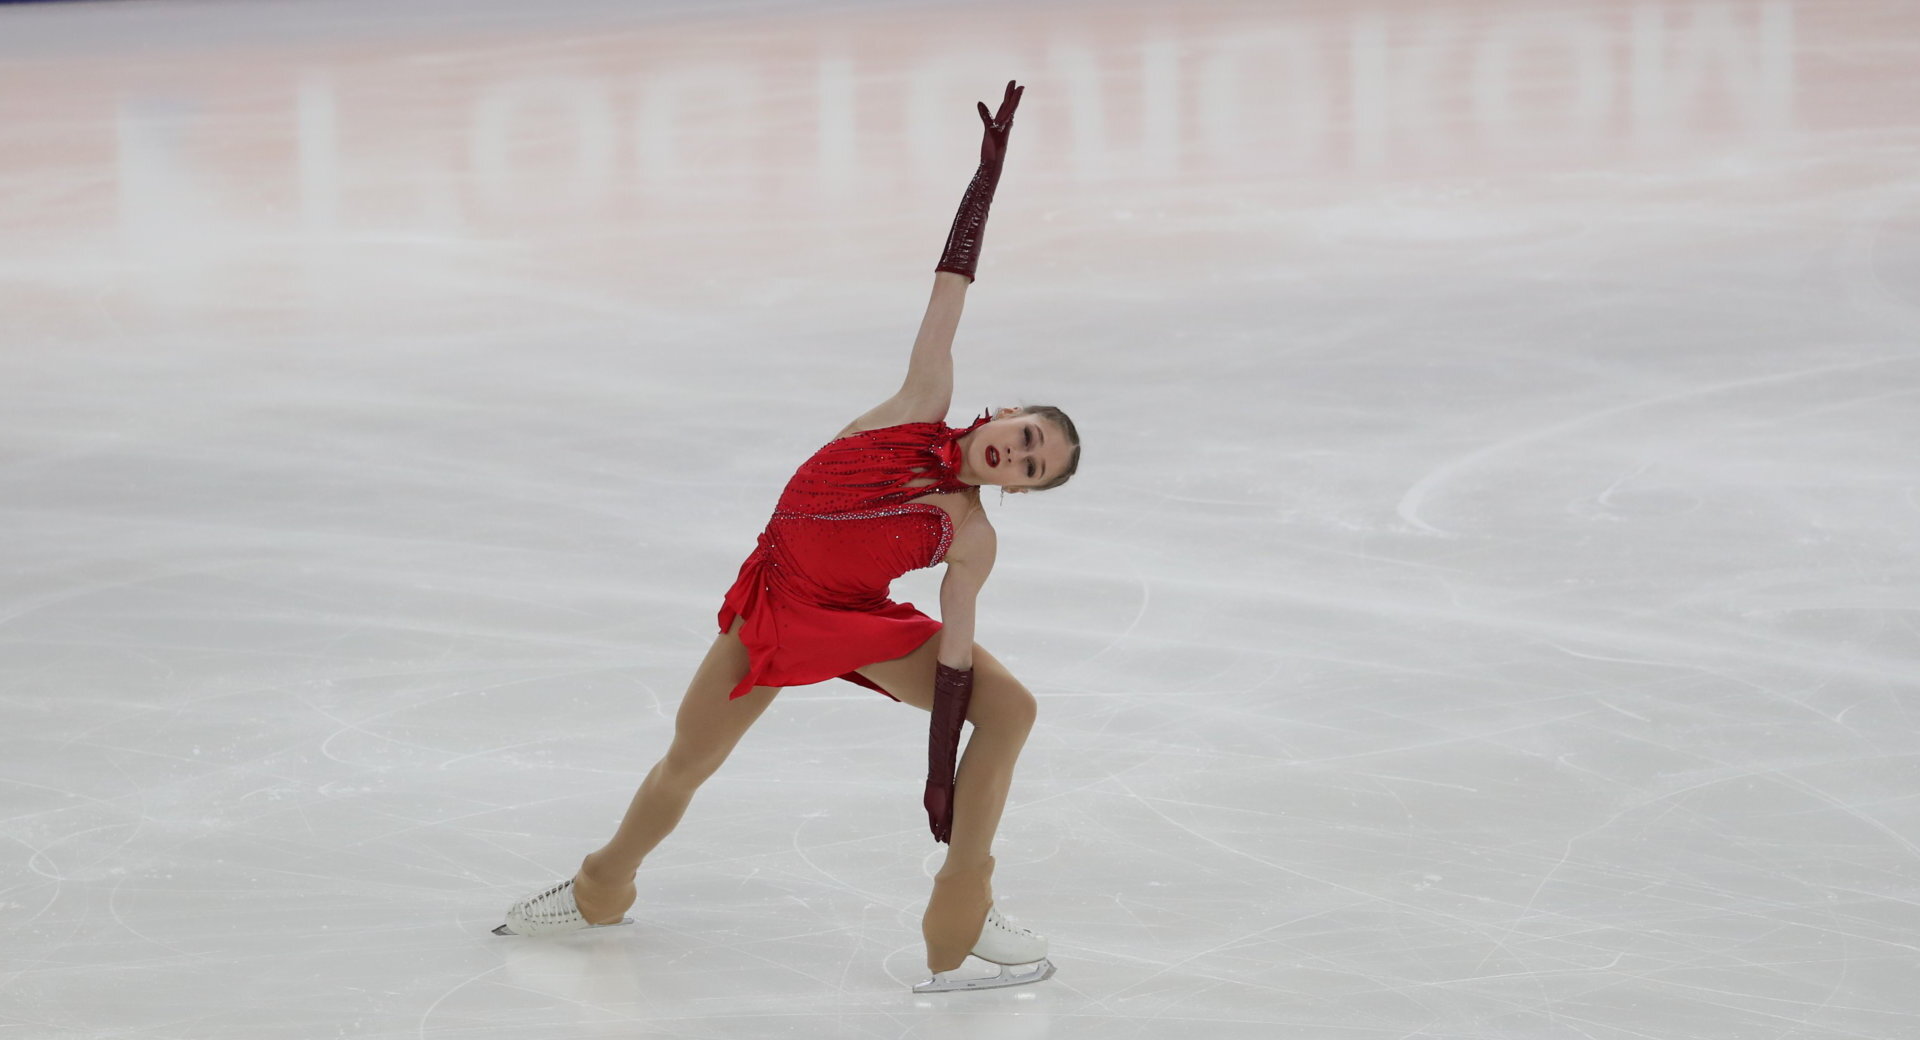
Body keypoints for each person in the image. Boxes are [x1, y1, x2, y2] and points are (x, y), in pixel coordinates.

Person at [493, 81, 1081, 994]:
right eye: (1030, 437)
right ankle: (602, 888)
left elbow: (957, 668)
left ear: (1017, 487)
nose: (1021, 456)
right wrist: (983, 183)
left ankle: (962, 909)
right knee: (688, 761)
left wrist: (938, 783)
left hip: (856, 622)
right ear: (1004, 414)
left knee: (1011, 709)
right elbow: (949, 286)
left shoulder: (970, 537)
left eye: (1032, 469)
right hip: (777, 606)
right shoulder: (920, 399)